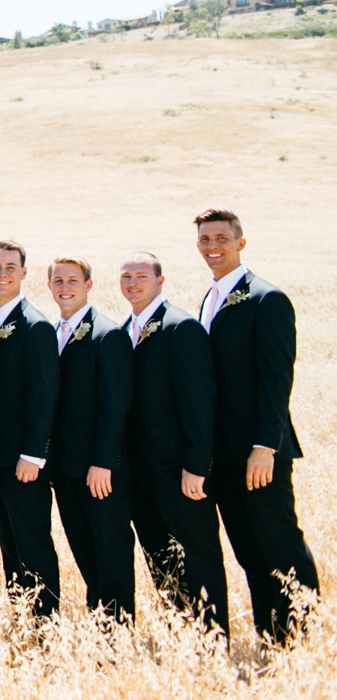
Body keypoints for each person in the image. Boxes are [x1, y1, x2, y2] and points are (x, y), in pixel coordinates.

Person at [194, 209, 320, 644]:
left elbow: (276, 380)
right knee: (249, 551)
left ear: (240, 243)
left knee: (280, 544)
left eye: (221, 238)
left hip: (259, 453)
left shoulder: (267, 299)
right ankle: (273, 636)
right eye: (205, 239)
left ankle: (305, 638)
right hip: (223, 454)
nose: (213, 246)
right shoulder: (210, 297)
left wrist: (266, 446)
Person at [121, 251, 226, 633]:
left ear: (160, 281)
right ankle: (181, 635)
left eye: (141, 276)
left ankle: (212, 641)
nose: (133, 283)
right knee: (160, 558)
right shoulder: (125, 329)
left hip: (180, 474)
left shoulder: (181, 328)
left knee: (198, 557)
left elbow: (200, 404)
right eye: (127, 276)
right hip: (141, 476)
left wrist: (197, 467)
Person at [45, 256, 135, 624]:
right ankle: (99, 625)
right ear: (49, 286)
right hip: (65, 470)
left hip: (100, 471)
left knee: (111, 552)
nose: (65, 287)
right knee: (84, 550)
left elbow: (116, 406)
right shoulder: (51, 332)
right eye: (58, 281)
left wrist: (104, 462)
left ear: (88, 285)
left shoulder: (107, 334)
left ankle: (118, 630)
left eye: (73, 280)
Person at [0, 239, 60, 617]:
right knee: (8, 539)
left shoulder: (35, 325)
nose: (3, 273)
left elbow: (44, 395)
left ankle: (46, 620)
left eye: (11, 267)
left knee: (32, 540)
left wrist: (33, 453)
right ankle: (21, 613)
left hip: (22, 458)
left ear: (24, 273)